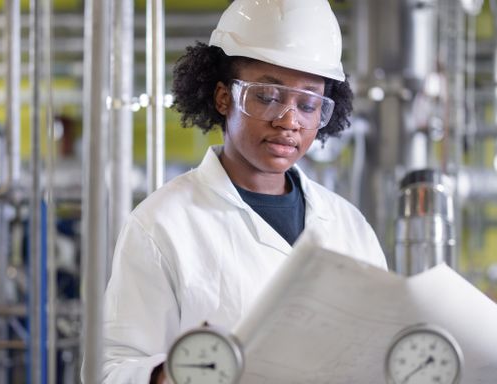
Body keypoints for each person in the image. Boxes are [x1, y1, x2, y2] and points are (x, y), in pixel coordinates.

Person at [99, 0, 387, 382]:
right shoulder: (162, 225)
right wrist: (171, 374)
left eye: (308, 103)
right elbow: (112, 369)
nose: (289, 121)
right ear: (223, 97)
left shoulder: (349, 226)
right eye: (268, 96)